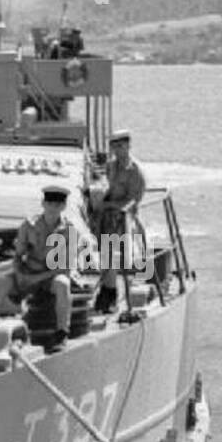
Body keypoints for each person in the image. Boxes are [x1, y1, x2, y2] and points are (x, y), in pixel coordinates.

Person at [0, 184, 96, 354]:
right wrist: (19, 275)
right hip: (30, 272)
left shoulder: (69, 230)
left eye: (57, 205)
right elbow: (18, 256)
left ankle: (62, 331)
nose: (53, 208)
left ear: (63, 206)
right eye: (50, 204)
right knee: (0, 284)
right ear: (43, 204)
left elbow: (65, 268)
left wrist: (36, 278)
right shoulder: (29, 225)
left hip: (52, 276)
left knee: (63, 285)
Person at [89, 129, 146, 314]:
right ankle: (107, 291)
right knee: (106, 256)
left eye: (121, 146)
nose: (117, 150)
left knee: (113, 255)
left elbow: (132, 201)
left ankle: (111, 293)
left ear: (128, 145)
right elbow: (105, 184)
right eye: (114, 146)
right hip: (107, 218)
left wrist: (110, 205)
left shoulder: (135, 171)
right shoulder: (111, 166)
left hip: (123, 218)